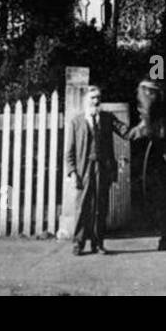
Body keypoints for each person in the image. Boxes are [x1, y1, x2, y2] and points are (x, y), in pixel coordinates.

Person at [65, 85, 122, 255]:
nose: (96, 101)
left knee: (101, 207)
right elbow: (69, 151)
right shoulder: (76, 122)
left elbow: (123, 130)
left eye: (98, 98)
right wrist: (73, 172)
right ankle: (78, 244)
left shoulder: (107, 118)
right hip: (84, 168)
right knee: (82, 207)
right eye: (92, 98)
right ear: (86, 100)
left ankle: (98, 244)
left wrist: (141, 130)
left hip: (102, 168)